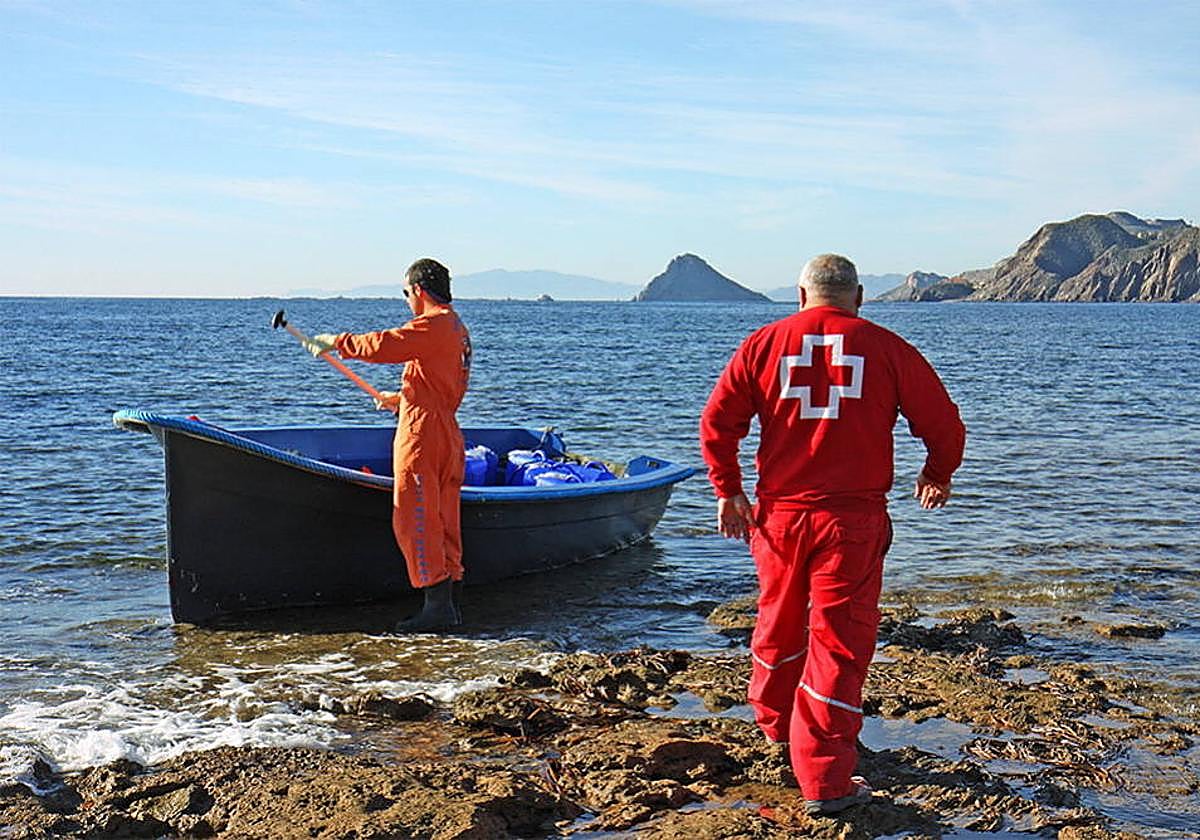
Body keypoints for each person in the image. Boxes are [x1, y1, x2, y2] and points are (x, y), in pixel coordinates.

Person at [699, 254, 965, 817]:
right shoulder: (889, 348)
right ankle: (824, 778)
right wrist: (935, 474)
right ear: (859, 296)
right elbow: (945, 425)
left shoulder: (763, 343)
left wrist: (728, 490)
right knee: (839, 643)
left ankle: (776, 727)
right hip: (852, 521)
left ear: (801, 295)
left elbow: (718, 423)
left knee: (777, 620)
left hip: (778, 518)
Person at [305, 258, 472, 632]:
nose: (407, 302)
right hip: (446, 429)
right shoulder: (457, 328)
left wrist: (336, 343)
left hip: (423, 437)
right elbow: (439, 382)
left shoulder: (432, 324)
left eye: (406, 293)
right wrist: (401, 398)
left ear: (418, 290)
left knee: (416, 517)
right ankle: (451, 603)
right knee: (444, 518)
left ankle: (436, 608)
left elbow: (386, 345)